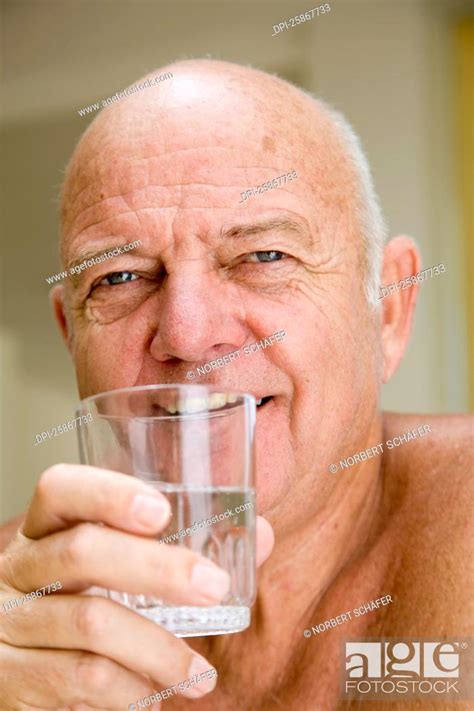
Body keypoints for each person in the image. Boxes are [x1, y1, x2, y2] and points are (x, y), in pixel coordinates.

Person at [0, 59, 472, 710]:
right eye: (119, 277)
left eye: (264, 256)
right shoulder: (18, 614)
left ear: (388, 309)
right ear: (69, 333)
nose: (188, 334)